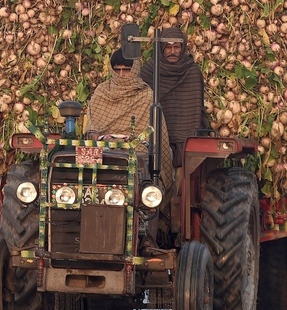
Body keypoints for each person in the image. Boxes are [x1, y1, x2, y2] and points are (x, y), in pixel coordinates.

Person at [86, 48, 174, 194]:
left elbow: (158, 133)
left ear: (134, 70)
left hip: (136, 149)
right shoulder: (102, 91)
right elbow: (92, 123)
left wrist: (130, 141)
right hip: (103, 149)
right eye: (117, 70)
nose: (121, 75)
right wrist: (95, 135)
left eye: (126, 70)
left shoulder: (146, 95)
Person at [139, 26, 210, 172]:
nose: (172, 52)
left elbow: (195, 108)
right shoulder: (149, 70)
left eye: (176, 47)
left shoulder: (192, 71)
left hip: (185, 139)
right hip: (153, 137)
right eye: (168, 47)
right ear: (161, 49)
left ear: (182, 47)